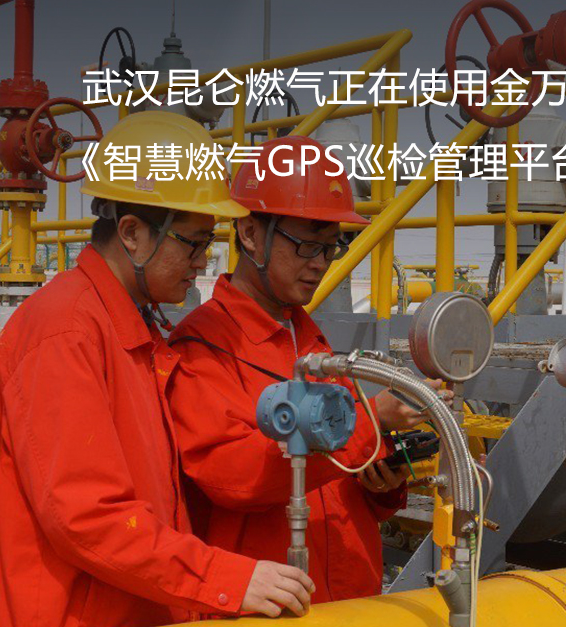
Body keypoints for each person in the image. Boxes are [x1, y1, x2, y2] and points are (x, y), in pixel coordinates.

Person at [0, 112, 314, 627]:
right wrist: (225, 578)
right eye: (194, 243)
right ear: (131, 232)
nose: (203, 262)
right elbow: (87, 516)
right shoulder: (66, 331)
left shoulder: (130, 328)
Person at [167, 135, 447, 603]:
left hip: (350, 599)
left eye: (331, 248)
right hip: (267, 605)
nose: (320, 264)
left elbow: (338, 482)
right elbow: (234, 478)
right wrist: (370, 420)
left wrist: (381, 483)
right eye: (306, 246)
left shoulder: (309, 339)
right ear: (250, 233)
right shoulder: (204, 348)